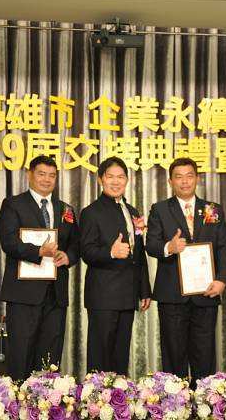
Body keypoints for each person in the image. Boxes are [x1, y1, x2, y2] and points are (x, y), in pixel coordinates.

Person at [145, 157, 226, 384]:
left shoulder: (213, 209)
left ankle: (205, 400)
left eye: (189, 176)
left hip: (207, 292)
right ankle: (176, 402)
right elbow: (151, 245)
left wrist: (222, 280)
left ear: (197, 178)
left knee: (205, 354)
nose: (184, 181)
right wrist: (169, 247)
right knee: (174, 355)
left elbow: (224, 248)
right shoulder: (160, 209)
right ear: (170, 181)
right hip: (172, 295)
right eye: (179, 177)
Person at [0, 154, 80, 380]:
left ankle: (46, 399)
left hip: (55, 294)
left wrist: (68, 256)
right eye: (41, 174)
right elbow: (9, 242)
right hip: (23, 294)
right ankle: (18, 399)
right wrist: (38, 252)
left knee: (50, 357)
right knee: (21, 353)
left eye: (52, 175)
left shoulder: (65, 208)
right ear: (29, 175)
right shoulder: (13, 204)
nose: (47, 179)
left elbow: (76, 244)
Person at [79, 156, 152, 374]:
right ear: (101, 179)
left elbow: (139, 253)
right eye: (110, 176)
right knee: (100, 357)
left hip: (127, 295)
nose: (116, 181)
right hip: (103, 296)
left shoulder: (132, 211)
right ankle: (97, 396)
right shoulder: (91, 212)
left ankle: (118, 396)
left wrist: (144, 289)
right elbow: (86, 252)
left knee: (121, 357)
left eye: (120, 177)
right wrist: (111, 252)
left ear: (127, 180)